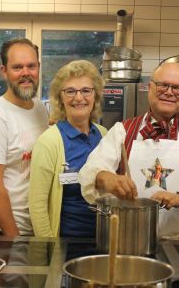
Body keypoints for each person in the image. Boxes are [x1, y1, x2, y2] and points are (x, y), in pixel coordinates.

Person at [78, 62, 179, 240]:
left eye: (177, 88)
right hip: (128, 240)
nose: (169, 92)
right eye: (163, 85)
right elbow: (89, 172)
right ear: (150, 87)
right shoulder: (121, 131)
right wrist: (105, 178)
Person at [0, 38, 48, 236]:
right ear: (4, 71)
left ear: (38, 68)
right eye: (17, 67)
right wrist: (14, 238)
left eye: (31, 66)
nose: (26, 73)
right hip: (3, 230)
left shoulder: (41, 110)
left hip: (34, 226)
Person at [29, 60, 107, 238]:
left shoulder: (103, 135)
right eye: (70, 91)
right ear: (60, 98)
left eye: (86, 91)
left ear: (95, 96)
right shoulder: (49, 142)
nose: (79, 98)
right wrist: (50, 250)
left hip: (104, 239)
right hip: (65, 244)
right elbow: (37, 205)